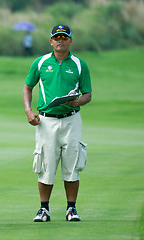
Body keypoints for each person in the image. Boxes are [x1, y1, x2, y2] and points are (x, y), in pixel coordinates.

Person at [22, 24, 92, 222]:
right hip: (46, 121)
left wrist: (79, 101)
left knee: (72, 164)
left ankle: (71, 209)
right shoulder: (41, 62)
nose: (60, 40)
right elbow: (27, 87)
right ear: (51, 41)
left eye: (64, 37)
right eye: (56, 37)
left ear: (70, 40)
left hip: (71, 119)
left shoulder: (79, 64)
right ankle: (44, 209)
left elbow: (88, 94)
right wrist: (29, 111)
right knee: (46, 164)